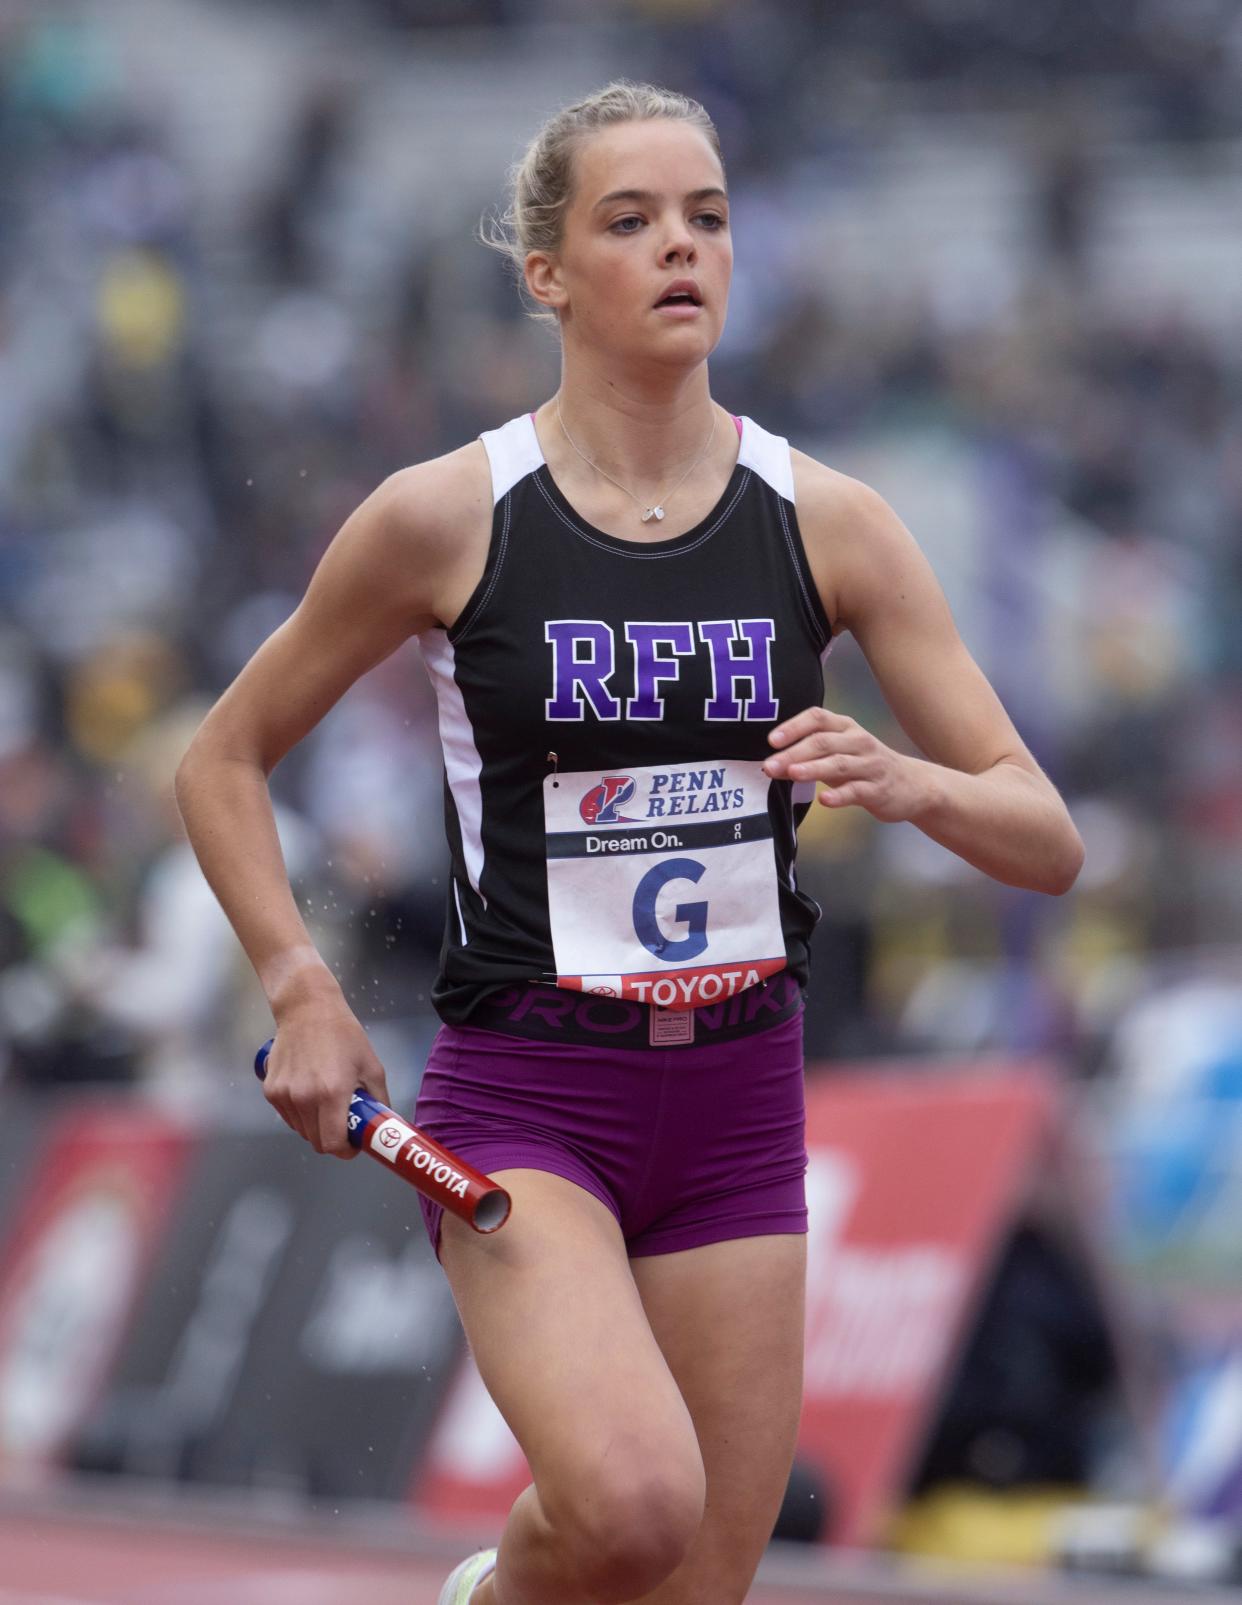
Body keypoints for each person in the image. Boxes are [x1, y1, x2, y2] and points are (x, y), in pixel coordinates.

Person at [175, 81, 1084, 1605]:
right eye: (631, 219)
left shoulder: (829, 520)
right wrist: (299, 983)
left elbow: (1043, 835)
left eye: (707, 217)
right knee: (630, 1504)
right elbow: (219, 758)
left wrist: (907, 779)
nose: (682, 247)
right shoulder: (446, 516)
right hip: (531, 1088)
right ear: (546, 274)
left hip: (737, 1096)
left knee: (694, 1579)